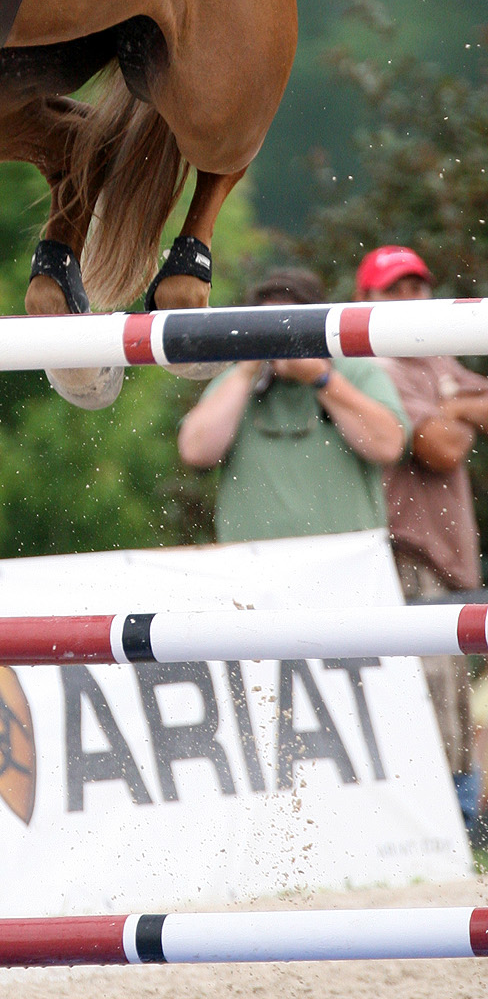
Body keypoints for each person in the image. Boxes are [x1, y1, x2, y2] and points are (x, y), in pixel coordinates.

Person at [357, 244, 488, 829]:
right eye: (395, 291)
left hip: (447, 558)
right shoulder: (378, 367)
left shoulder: (434, 361)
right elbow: (442, 446)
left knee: (455, 702)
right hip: (405, 554)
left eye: (417, 287)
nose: (411, 300)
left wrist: (447, 403)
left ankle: (457, 825)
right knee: (429, 701)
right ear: (367, 302)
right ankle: (445, 828)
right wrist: (460, 409)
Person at [178, 267, 409, 542]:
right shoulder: (239, 380)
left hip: (346, 565)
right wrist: (246, 370)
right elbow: (196, 451)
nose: (281, 339)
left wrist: (322, 379)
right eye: (269, 327)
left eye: (292, 326)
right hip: (253, 567)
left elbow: (389, 445)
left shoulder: (356, 372)